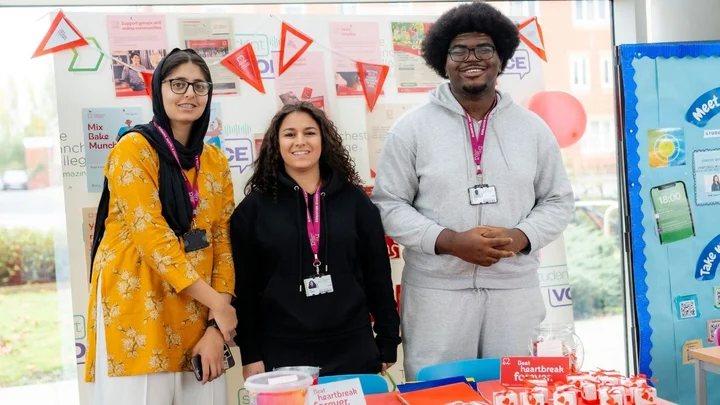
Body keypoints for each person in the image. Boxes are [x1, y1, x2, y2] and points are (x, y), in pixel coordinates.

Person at [371, 2, 574, 380]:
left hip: (514, 290)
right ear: (442, 61)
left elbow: (558, 200)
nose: (472, 58)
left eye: (484, 48)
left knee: (516, 389)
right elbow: (389, 204)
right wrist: (448, 241)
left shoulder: (533, 129)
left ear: (501, 57)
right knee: (437, 392)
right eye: (458, 50)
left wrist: (519, 237)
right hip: (437, 292)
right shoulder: (411, 129)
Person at [86, 48, 238, 405]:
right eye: (178, 84)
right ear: (159, 90)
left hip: (200, 317)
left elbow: (224, 240)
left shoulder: (214, 159)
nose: (189, 94)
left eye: (200, 86)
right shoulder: (133, 149)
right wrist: (218, 304)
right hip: (139, 310)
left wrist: (217, 325)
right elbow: (152, 237)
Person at [230, 101, 400, 380]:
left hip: (352, 346)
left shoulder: (355, 201)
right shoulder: (253, 210)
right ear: (276, 143)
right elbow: (246, 291)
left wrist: (388, 338)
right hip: (283, 351)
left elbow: (378, 274)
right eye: (289, 134)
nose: (300, 141)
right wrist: (251, 354)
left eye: (309, 132)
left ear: (324, 140)